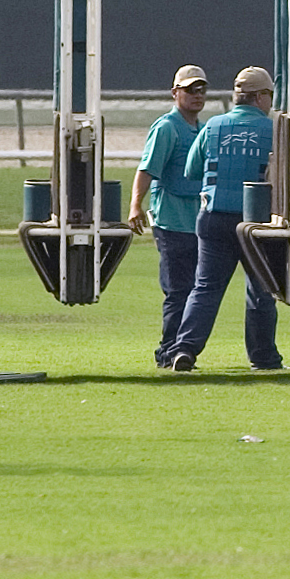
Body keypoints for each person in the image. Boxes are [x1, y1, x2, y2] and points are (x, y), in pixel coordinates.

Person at [165, 67, 281, 373]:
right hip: (256, 224)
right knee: (261, 290)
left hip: (213, 218)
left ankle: (184, 350)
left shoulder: (214, 125)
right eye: (269, 95)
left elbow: (191, 170)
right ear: (260, 97)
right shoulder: (274, 130)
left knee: (205, 288)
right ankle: (264, 357)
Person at [129, 64, 208, 368]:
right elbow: (147, 169)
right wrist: (136, 204)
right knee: (178, 292)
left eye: (201, 89)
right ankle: (169, 352)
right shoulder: (167, 128)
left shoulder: (201, 129)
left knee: (193, 292)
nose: (196, 95)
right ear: (175, 93)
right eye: (190, 90)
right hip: (171, 222)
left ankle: (182, 350)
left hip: (196, 222)